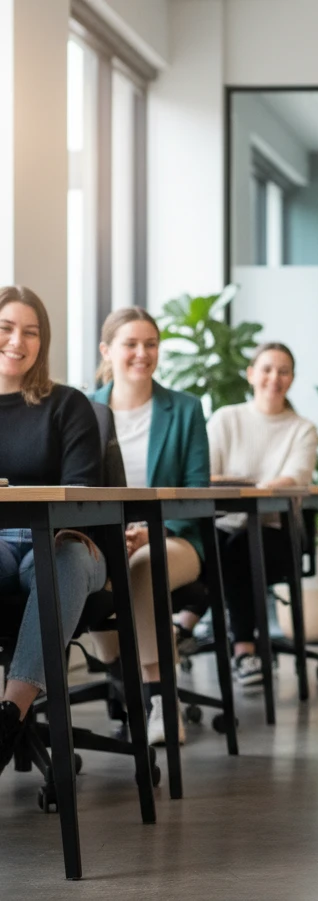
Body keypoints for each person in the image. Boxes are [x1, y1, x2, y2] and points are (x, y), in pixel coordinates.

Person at [90, 306, 211, 744]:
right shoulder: (83, 409)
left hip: (172, 537)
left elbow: (198, 492)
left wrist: (151, 531)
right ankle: (122, 678)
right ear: (107, 349)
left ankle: (162, 700)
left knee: (142, 567)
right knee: (88, 574)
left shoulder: (184, 410)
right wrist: (111, 536)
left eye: (151, 344)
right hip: (105, 538)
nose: (143, 353)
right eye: (131, 344)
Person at [0, 286, 107, 773]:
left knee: (62, 560)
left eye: (31, 332)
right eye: (6, 328)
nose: (17, 341)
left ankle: (10, 713)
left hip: (67, 540)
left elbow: (80, 490)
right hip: (2, 542)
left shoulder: (68, 404)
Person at [204, 342, 318, 687]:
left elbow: (293, 479)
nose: (274, 378)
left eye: (283, 371)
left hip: (277, 534)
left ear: (292, 379)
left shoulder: (302, 429)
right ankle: (192, 626)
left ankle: (242, 649)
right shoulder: (227, 418)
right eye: (267, 369)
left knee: (239, 546)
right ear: (251, 374)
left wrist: (245, 490)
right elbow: (205, 477)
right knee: (207, 543)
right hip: (223, 526)